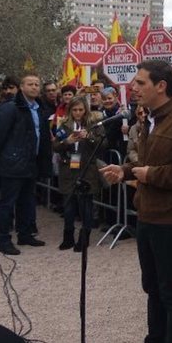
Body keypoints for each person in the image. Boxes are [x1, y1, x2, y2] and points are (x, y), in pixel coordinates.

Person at [100, 60, 172, 343]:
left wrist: (153, 175)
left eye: (140, 83)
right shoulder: (150, 119)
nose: (133, 88)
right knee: (153, 288)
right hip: (147, 215)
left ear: (161, 86)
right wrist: (125, 171)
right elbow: (148, 162)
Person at [0, 74, 52, 255]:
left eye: (37, 84)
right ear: (22, 87)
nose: (34, 87)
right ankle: (3, 240)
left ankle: (25, 234)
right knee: (7, 203)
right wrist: (8, 156)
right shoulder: (11, 108)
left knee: (27, 201)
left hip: (31, 163)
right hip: (13, 163)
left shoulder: (39, 108)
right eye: (30, 84)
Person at [52, 96, 106, 251]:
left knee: (85, 205)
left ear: (85, 110)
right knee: (68, 204)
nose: (77, 113)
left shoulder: (94, 124)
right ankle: (68, 237)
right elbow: (55, 146)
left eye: (80, 110)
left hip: (87, 168)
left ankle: (84, 238)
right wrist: (66, 142)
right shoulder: (65, 125)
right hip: (68, 168)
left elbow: (104, 143)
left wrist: (89, 137)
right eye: (74, 110)